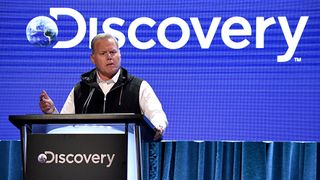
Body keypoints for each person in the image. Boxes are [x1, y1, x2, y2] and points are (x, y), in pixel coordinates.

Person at [39, 33, 168, 140]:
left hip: (127, 158)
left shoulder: (138, 86)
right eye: (103, 53)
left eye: (113, 52)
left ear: (120, 54)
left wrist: (158, 126)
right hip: (88, 158)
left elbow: (156, 115)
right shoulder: (81, 89)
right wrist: (51, 112)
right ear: (93, 58)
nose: (109, 57)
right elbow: (65, 125)